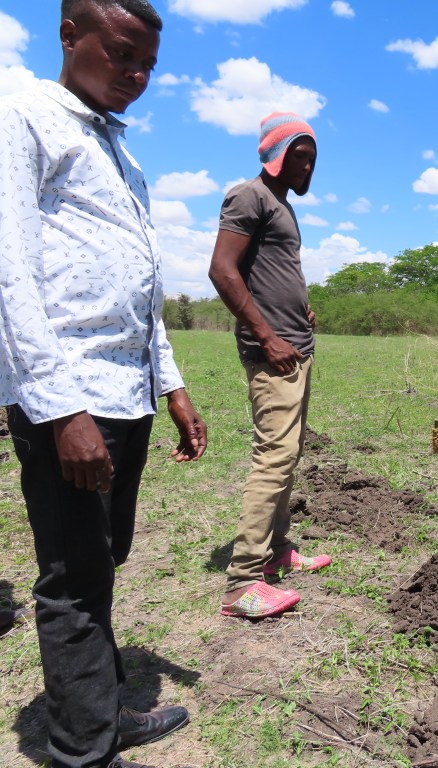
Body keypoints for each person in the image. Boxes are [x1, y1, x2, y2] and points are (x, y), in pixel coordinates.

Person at [0, 1, 208, 767]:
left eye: (148, 64)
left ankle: (99, 709)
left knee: (102, 558)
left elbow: (141, 287)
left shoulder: (119, 151)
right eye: (122, 54)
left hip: (126, 394)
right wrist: (61, 410)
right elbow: (10, 273)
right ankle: (83, 750)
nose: (137, 75)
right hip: (71, 397)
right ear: (69, 35)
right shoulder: (24, 118)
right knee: (72, 579)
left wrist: (172, 385)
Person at [209, 112, 331, 620]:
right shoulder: (249, 195)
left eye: (313, 159)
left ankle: (278, 550)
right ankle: (242, 582)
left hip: (295, 344)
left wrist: (299, 309)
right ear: (275, 154)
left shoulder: (282, 205)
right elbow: (222, 270)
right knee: (274, 457)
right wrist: (267, 334)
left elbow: (271, 272)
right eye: (299, 156)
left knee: (289, 452)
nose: (308, 167)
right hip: (272, 351)